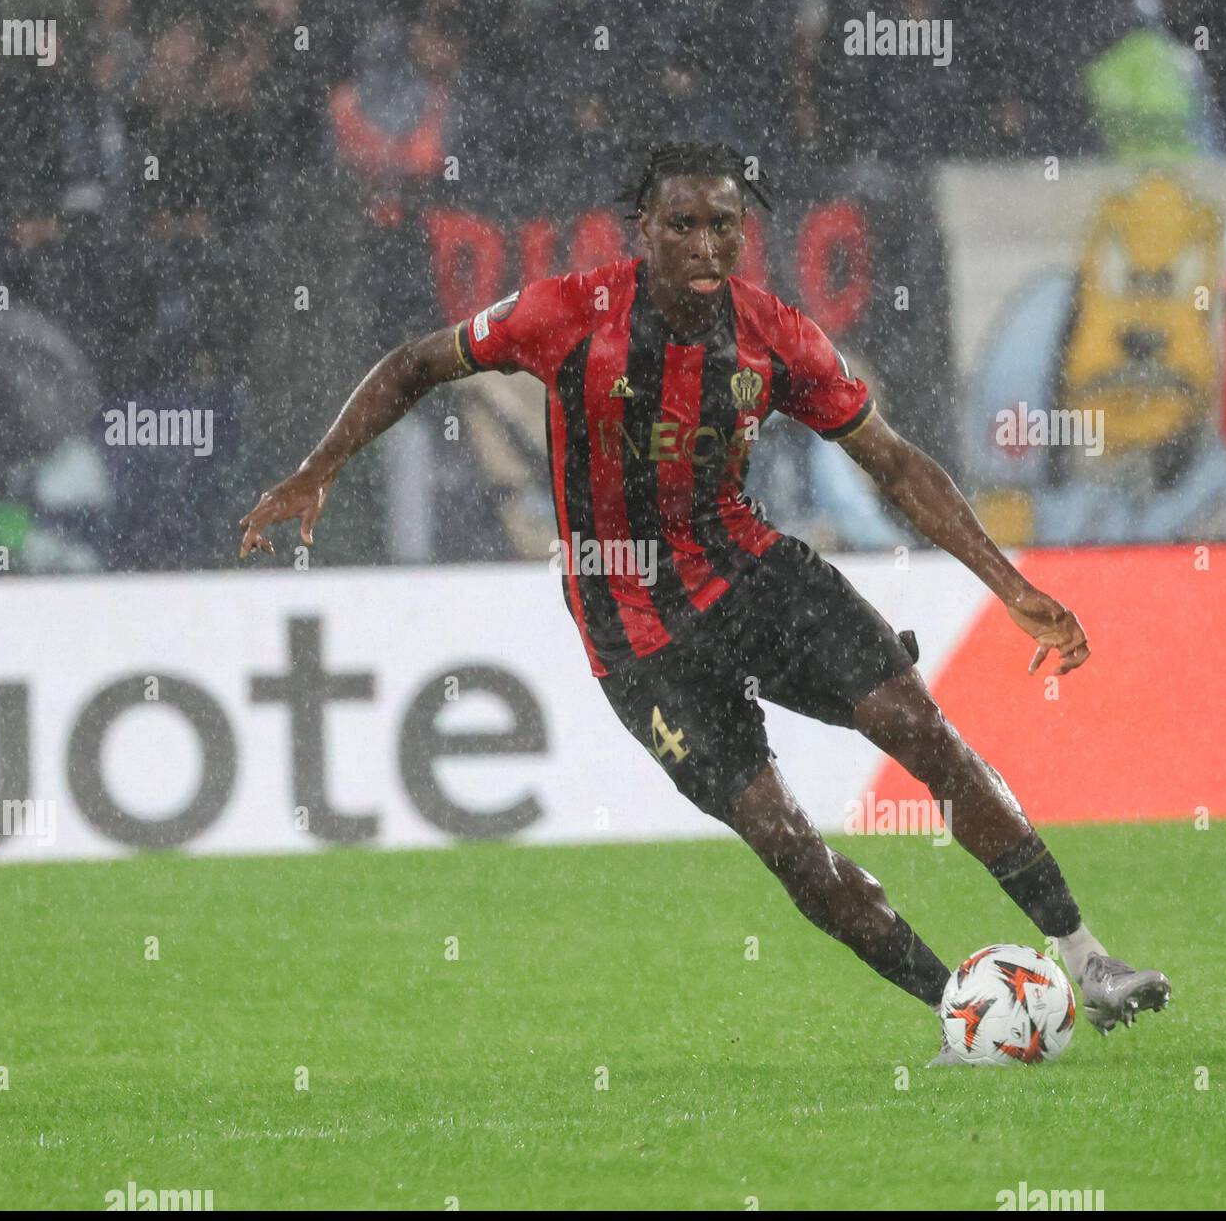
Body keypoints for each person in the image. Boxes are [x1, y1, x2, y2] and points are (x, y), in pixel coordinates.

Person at [239, 141, 1169, 1062]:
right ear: (642, 229)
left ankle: (1088, 961)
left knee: (920, 729)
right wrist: (316, 472)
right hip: (634, 636)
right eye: (681, 224)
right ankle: (961, 1011)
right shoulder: (564, 313)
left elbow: (890, 460)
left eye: (724, 225)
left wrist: (1009, 585)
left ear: (742, 232)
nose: (704, 244)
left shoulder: (774, 333)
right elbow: (414, 363)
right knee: (788, 845)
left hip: (754, 574)